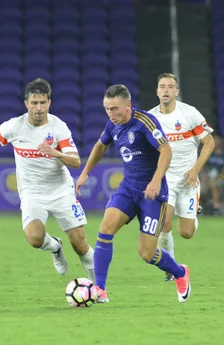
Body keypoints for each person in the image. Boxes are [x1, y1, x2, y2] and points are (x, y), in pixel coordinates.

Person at [76, 84, 191, 303]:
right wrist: (85, 173)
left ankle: (180, 273)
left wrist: (157, 181)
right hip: (128, 188)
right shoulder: (113, 125)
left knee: (147, 253)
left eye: (115, 109)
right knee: (105, 228)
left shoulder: (144, 122)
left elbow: (166, 149)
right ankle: (100, 289)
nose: (111, 114)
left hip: (153, 194)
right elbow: (100, 146)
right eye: (107, 109)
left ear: (128, 105)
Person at [0, 78, 95, 281]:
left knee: (80, 244)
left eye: (43, 102)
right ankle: (55, 247)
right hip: (32, 193)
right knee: (35, 238)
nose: (39, 108)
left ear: (49, 103)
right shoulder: (14, 126)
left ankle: (99, 288)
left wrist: (55, 153)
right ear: (26, 104)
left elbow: (75, 162)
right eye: (34, 103)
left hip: (61, 190)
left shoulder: (59, 128)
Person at [148, 73, 215, 281]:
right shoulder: (150, 118)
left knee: (186, 233)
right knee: (164, 224)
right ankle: (171, 266)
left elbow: (209, 143)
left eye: (170, 86)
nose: (166, 90)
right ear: (157, 91)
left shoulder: (190, 114)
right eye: (162, 86)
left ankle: (194, 212)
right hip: (165, 180)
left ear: (176, 91)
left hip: (188, 180)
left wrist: (195, 170)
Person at [201, 135, 224, 215]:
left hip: (222, 179)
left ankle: (216, 207)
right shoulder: (210, 155)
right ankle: (202, 207)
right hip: (208, 179)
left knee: (214, 184)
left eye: (217, 140)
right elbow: (205, 169)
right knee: (199, 188)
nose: (215, 141)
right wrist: (205, 179)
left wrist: (218, 178)